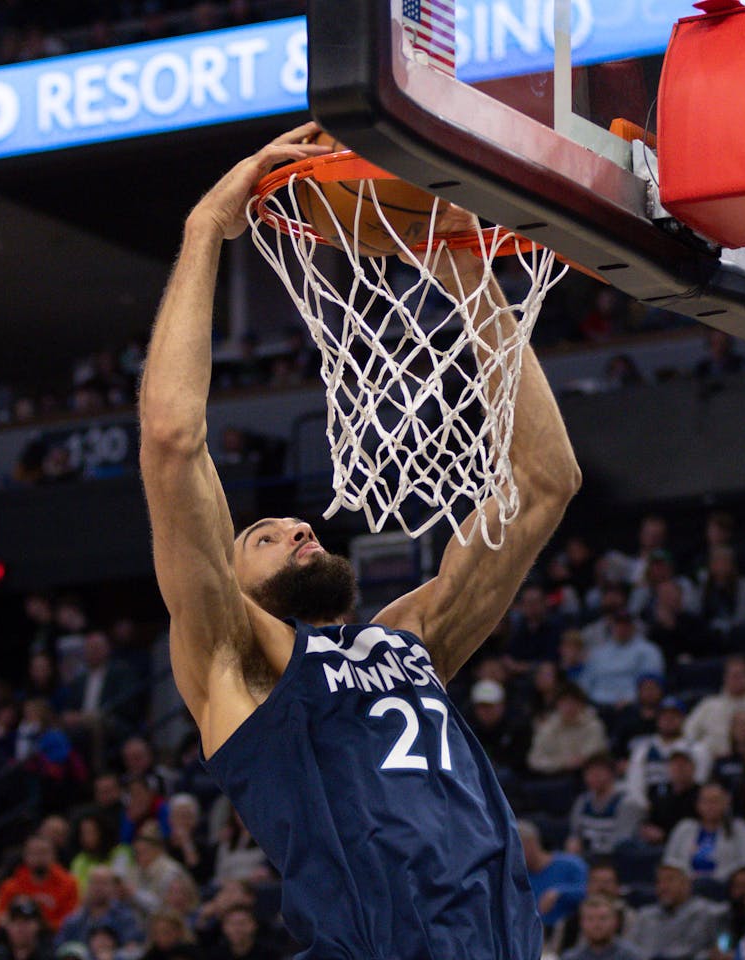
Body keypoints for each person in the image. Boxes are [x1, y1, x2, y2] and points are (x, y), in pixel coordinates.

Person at [138, 124, 581, 960]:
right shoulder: (236, 661)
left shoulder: (411, 640)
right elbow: (169, 440)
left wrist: (463, 276)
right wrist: (205, 228)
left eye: (293, 523)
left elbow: (545, 486)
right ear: (225, 582)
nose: (298, 526)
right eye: (262, 536)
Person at [626, 862, 728, 960]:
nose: (663, 887)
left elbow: (712, 949)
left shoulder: (704, 912)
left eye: (670, 880)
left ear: (686, 884)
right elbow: (629, 951)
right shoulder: (645, 915)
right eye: (659, 882)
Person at [664, 782, 745, 883]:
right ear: (698, 804)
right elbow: (669, 860)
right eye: (705, 801)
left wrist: (721, 875)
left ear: (726, 802)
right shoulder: (684, 828)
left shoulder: (739, 828)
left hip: (725, 884)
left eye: (715, 801)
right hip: (688, 884)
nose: (710, 806)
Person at [684, 657, 745, 760]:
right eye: (731, 675)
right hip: (710, 761)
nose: (735, 679)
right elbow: (688, 731)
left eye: (739, 675)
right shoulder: (709, 704)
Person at [0, 834, 80, 932]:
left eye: (43, 852)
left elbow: (71, 921)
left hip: (55, 938)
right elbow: (0, 919)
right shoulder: (10, 886)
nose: (39, 858)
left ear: (54, 855)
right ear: (25, 856)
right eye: (34, 853)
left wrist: (42, 926)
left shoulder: (69, 884)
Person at [567, 753, 645, 857]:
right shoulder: (582, 801)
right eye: (589, 773)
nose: (592, 777)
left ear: (612, 774)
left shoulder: (627, 803)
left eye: (598, 773)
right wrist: (573, 843)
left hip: (614, 859)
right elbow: (575, 833)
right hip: (586, 857)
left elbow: (621, 841)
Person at [563, 894, 642, 960]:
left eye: (603, 918)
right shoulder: (571, 957)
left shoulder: (631, 956)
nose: (596, 924)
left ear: (615, 921)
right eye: (590, 919)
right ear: (581, 923)